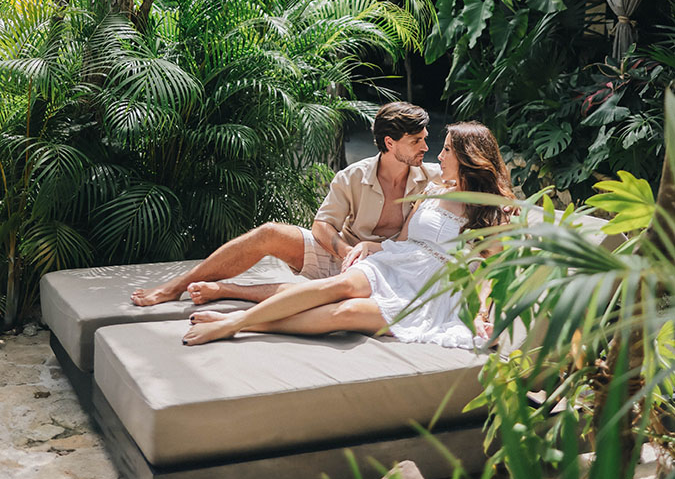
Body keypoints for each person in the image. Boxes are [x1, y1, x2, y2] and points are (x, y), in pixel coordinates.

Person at [181, 121, 515, 348]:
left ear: (468, 158)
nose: (437, 156)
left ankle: (243, 322)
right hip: (396, 262)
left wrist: (483, 316)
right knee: (339, 286)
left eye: (446, 151)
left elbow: (490, 273)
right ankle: (230, 324)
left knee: (348, 313)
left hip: (433, 290)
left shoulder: (493, 211)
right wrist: (373, 244)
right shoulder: (431, 188)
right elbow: (403, 238)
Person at [131, 101, 436, 307]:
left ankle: (226, 292)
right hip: (342, 256)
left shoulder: (433, 178)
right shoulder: (353, 177)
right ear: (389, 143)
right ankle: (176, 286)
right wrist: (346, 252)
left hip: (391, 268)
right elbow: (322, 225)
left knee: (331, 294)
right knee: (269, 233)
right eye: (416, 141)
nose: (425, 146)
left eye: (425, 138)